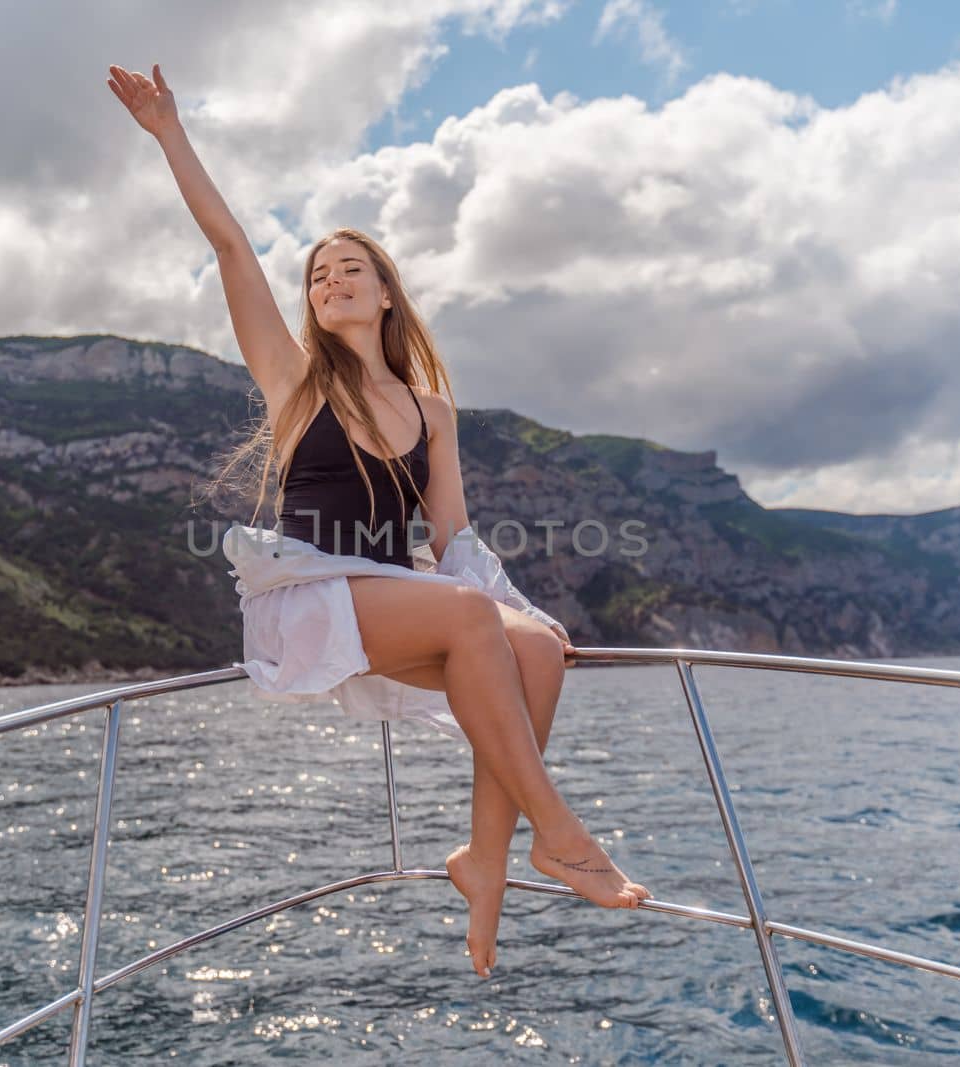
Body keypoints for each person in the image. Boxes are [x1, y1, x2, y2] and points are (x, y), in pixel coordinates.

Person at [107, 62, 651, 979]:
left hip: (395, 595)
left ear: (387, 292)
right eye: (319, 276)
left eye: (351, 269)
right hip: (306, 593)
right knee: (475, 619)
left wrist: (529, 615)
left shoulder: (433, 411)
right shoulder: (295, 383)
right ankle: (559, 836)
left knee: (534, 648)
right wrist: (169, 133)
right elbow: (234, 249)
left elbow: (456, 544)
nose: (332, 282)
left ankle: (485, 861)